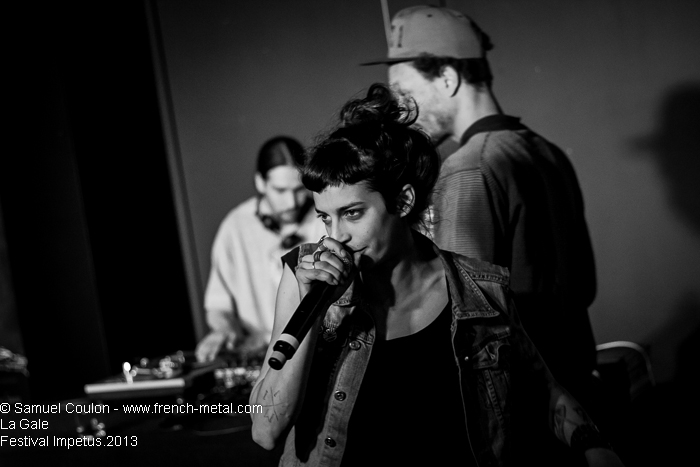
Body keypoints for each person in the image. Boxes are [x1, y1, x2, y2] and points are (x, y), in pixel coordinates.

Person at [250, 84, 624, 467]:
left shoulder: (480, 291)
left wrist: (596, 447)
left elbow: (544, 390)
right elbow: (265, 431)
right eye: (325, 218)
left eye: (353, 213)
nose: (336, 235)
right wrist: (313, 310)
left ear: (403, 201)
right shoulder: (305, 277)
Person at [361, 5, 598, 403]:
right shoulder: (548, 152)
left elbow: (460, 321)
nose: (400, 111)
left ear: (448, 77)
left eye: (404, 91)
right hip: (574, 385)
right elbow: (585, 285)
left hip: (525, 401)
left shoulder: (468, 169)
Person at [195, 136, 325, 362]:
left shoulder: (323, 218)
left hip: (316, 352)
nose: (291, 202)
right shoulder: (235, 227)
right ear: (260, 183)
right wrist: (225, 329)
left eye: (298, 190)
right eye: (280, 190)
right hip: (258, 357)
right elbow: (218, 305)